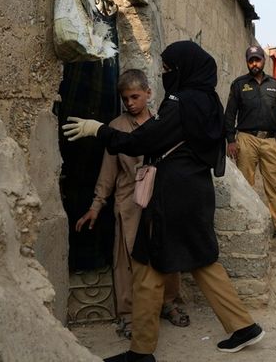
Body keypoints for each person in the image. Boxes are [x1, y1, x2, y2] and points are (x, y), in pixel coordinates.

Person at [62, 41, 264, 362]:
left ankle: (141, 352)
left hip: (171, 196)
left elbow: (143, 139)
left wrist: (99, 130)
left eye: (169, 69)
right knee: (202, 259)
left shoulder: (180, 102)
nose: (164, 74)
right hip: (196, 192)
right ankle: (243, 326)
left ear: (182, 70)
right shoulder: (209, 100)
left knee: (145, 262)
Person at [74, 69, 188, 339]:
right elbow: (108, 171)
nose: (130, 103)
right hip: (128, 203)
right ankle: (127, 314)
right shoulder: (116, 127)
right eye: (125, 98)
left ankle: (169, 303)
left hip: (159, 198)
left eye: (135, 96)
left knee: (166, 252)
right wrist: (96, 205)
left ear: (148, 93)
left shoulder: (162, 123)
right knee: (126, 260)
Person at [224, 45, 276, 244]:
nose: (254, 64)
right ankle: (247, 222)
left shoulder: (274, 84)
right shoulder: (239, 85)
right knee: (246, 184)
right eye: (251, 60)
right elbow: (230, 114)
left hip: (271, 141)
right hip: (247, 139)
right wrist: (231, 140)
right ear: (247, 62)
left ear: (263, 61)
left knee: (274, 185)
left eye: (258, 60)